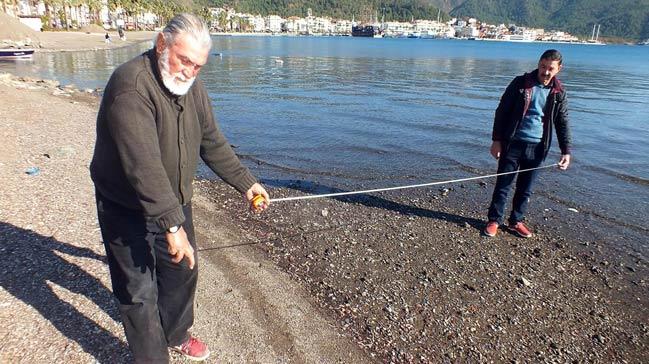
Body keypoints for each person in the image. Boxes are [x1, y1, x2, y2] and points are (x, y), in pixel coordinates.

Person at [90, 13, 270, 363]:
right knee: (138, 291)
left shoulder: (192, 88)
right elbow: (144, 168)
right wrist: (172, 226)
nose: (189, 71)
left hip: (173, 200)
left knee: (183, 271)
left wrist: (246, 184)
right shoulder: (130, 87)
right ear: (161, 44)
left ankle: (175, 334)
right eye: (184, 60)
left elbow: (212, 142)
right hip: (125, 205)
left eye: (198, 66)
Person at [484, 49, 571, 238]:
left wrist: (566, 151)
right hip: (512, 144)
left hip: (538, 147)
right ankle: (494, 220)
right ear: (538, 63)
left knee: (526, 188)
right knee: (503, 184)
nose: (545, 72)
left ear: (558, 69)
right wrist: (496, 141)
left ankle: (516, 221)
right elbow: (501, 112)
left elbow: (562, 123)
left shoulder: (559, 93)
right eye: (542, 66)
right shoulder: (520, 83)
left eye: (550, 68)